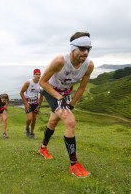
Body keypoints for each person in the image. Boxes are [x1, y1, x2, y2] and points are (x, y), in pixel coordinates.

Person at [38, 32, 94, 178]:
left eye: (88, 48)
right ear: (73, 49)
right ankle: (74, 164)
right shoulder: (60, 61)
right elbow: (42, 82)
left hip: (64, 94)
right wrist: (59, 98)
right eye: (82, 48)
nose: (86, 52)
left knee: (53, 121)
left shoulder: (89, 66)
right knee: (70, 121)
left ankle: (43, 148)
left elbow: (81, 88)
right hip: (50, 91)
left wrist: (71, 105)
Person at [20, 69, 44, 138]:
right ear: (34, 75)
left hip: (35, 103)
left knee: (34, 119)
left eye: (39, 74)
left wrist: (39, 106)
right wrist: (26, 103)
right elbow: (21, 92)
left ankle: (32, 133)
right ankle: (27, 127)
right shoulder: (28, 82)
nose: (38, 76)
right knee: (29, 118)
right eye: (36, 74)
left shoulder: (41, 84)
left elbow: (41, 97)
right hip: (28, 102)